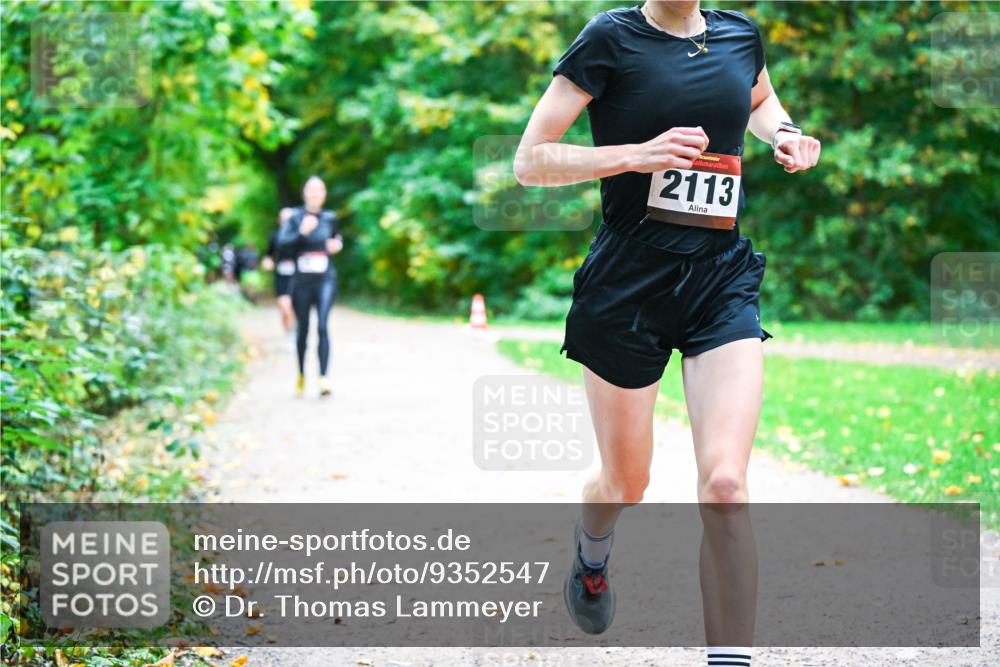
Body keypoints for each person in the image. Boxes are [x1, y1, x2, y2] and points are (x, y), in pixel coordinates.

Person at [514, 1, 821, 663]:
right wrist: (636, 155)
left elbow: (762, 97)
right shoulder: (610, 38)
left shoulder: (740, 33)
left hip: (719, 279)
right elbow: (530, 161)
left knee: (726, 485)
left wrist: (785, 134)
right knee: (626, 483)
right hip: (627, 285)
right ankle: (591, 552)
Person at [277, 176, 343, 397]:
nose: (315, 193)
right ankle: (302, 374)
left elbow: (335, 239)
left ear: (324, 194)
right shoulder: (295, 217)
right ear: (304, 193)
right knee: (303, 329)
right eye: (311, 190)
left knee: (323, 325)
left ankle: (324, 378)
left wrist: (336, 245)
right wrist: (302, 232)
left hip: (325, 278)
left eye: (319, 190)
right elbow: (282, 246)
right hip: (301, 281)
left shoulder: (330, 217)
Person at [262, 207, 297, 332]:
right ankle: (288, 329)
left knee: (295, 305)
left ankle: (295, 331)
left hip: (298, 275)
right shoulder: (275, 235)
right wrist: (267, 261)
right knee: (284, 305)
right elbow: (268, 254)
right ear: (279, 220)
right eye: (283, 218)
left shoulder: (300, 235)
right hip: (281, 274)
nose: (286, 221)